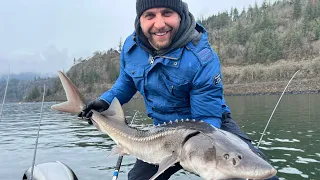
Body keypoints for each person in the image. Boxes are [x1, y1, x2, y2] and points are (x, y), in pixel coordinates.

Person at [78, 0, 279, 179]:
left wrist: (208, 162)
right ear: (140, 19)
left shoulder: (201, 58)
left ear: (180, 15)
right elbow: (126, 82)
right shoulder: (132, 48)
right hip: (161, 132)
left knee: (262, 175)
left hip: (210, 124)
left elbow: (206, 122)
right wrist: (105, 101)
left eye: (167, 13)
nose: (159, 24)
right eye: (150, 15)